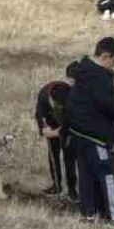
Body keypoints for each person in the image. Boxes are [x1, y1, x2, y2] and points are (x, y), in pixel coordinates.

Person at [64, 38, 114, 226]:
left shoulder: (83, 73)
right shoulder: (100, 78)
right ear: (105, 56)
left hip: (78, 135)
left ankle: (89, 213)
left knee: (86, 176)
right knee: (108, 176)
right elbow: (109, 106)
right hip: (97, 137)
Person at [34, 67, 78, 201]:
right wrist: (44, 130)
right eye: (57, 105)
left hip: (65, 126)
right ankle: (56, 185)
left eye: (62, 106)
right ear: (51, 99)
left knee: (69, 157)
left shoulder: (70, 94)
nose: (59, 107)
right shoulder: (43, 96)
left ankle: (72, 191)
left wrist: (62, 131)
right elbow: (39, 115)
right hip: (51, 124)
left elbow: (72, 118)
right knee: (53, 155)